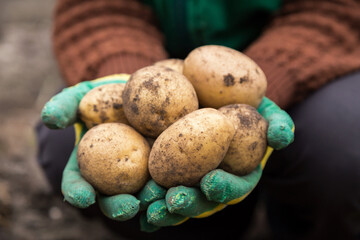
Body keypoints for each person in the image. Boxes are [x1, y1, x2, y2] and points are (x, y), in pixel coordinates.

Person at [36, 0, 360, 239]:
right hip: (155, 62)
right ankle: (194, 227)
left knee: (339, 146)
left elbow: (335, 8)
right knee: (65, 141)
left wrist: (259, 85)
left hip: (296, 63)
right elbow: (97, 9)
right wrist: (130, 75)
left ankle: (297, 220)